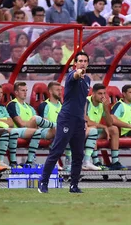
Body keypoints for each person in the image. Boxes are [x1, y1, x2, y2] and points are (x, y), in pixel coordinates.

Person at [38, 52, 91, 193]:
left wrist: (84, 119)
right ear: (75, 63)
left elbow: (83, 101)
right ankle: (43, 182)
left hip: (79, 120)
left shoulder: (88, 80)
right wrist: (78, 72)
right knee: (57, 150)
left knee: (79, 154)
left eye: (85, 61)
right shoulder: (71, 76)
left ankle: (74, 185)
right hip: (66, 118)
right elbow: (77, 74)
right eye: (80, 61)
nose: (83, 63)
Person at [6, 82, 57, 166]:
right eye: (22, 90)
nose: (25, 92)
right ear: (16, 92)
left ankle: (56, 161)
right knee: (36, 119)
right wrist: (32, 122)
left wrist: (33, 123)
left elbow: (36, 125)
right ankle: (53, 124)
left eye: (26, 90)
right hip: (19, 132)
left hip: (33, 131)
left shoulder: (30, 107)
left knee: (57, 130)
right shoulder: (12, 104)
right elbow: (21, 124)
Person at [83, 83, 127, 171]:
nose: (103, 96)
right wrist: (103, 126)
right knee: (93, 129)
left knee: (114, 129)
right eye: (100, 94)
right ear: (93, 94)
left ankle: (115, 162)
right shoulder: (86, 102)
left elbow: (110, 123)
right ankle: (96, 162)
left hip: (95, 130)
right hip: (85, 131)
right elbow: (85, 120)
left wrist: (106, 108)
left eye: (104, 93)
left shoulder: (102, 104)